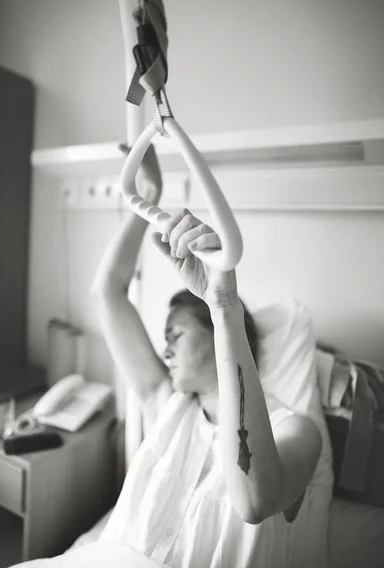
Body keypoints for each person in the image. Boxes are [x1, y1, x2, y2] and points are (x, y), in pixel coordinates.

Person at [88, 145, 331, 568]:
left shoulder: (296, 431)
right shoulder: (167, 404)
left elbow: (255, 502)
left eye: (175, 334)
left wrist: (223, 306)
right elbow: (107, 292)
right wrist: (147, 193)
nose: (164, 350)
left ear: (214, 333)